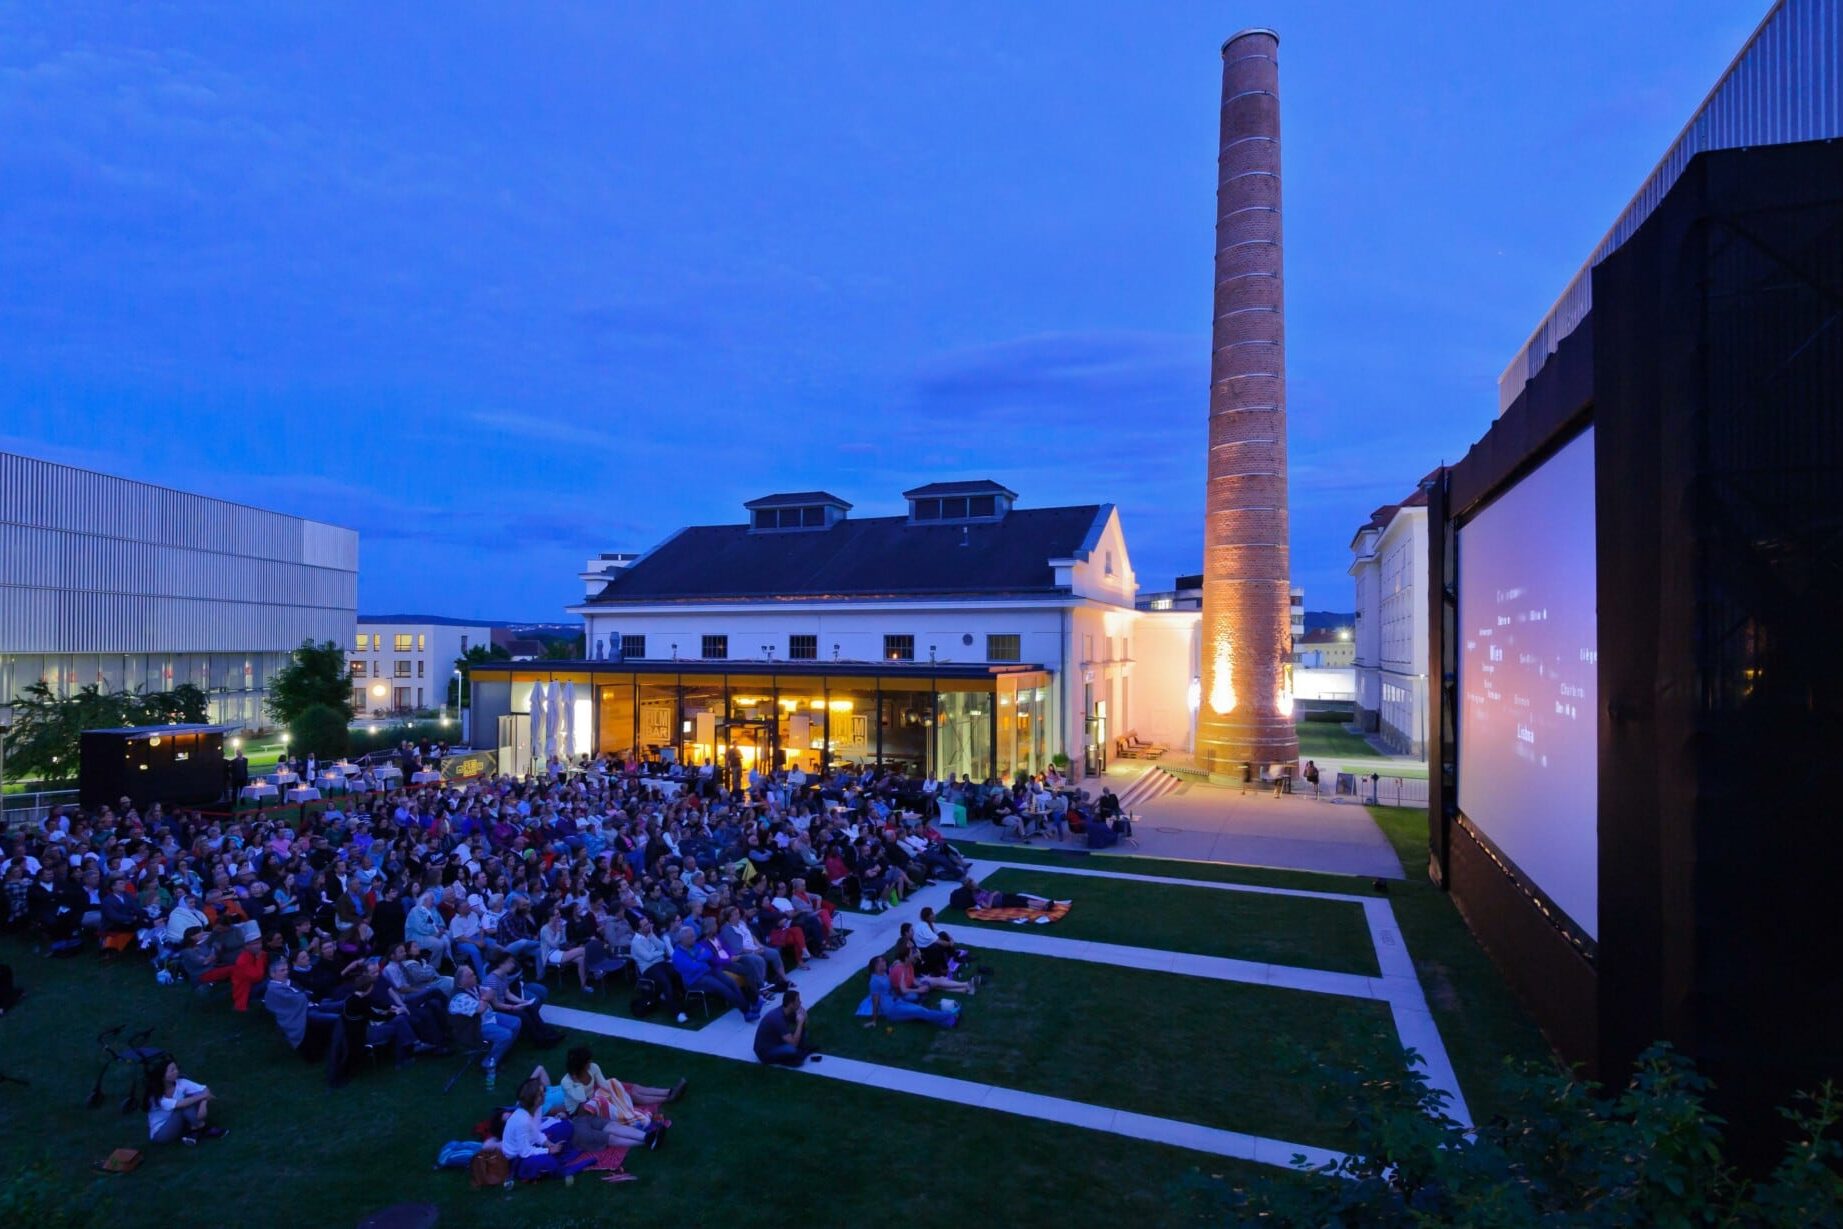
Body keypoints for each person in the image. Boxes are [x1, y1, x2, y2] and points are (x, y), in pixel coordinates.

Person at [559, 1046, 675, 1150]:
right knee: (607, 1134)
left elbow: (604, 1084)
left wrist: (616, 1094)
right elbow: (581, 1099)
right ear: (580, 1065)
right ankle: (647, 1140)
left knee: (612, 1122)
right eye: (587, 1061)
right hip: (579, 1114)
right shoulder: (567, 1082)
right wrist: (577, 1081)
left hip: (592, 1107)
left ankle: (647, 1135)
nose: (590, 1062)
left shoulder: (593, 1068)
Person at [501, 1077, 593, 1183]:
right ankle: (550, 1167)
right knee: (550, 1163)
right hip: (518, 1158)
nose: (544, 1094)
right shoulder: (522, 1121)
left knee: (566, 1127)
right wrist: (548, 1150)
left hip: (530, 1144)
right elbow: (524, 1152)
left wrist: (548, 1144)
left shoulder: (537, 1108)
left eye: (543, 1091)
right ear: (533, 1100)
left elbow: (536, 1132)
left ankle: (555, 1157)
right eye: (540, 1094)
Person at [449, 964, 521, 1079]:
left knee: (516, 1022)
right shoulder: (459, 998)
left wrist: (488, 993)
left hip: (486, 1018)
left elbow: (490, 993)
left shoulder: (473, 987)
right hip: (473, 1028)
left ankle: (501, 1052)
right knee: (505, 1035)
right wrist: (486, 997)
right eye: (471, 975)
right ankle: (487, 1064)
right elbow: (481, 1008)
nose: (475, 976)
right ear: (463, 980)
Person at [670, 925, 755, 1021]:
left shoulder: (695, 945)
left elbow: (709, 953)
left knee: (731, 982)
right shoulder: (677, 955)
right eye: (691, 937)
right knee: (723, 988)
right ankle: (746, 1011)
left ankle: (749, 1006)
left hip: (708, 971)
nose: (694, 938)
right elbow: (693, 968)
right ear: (683, 940)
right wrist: (700, 958)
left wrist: (696, 959)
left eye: (694, 936)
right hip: (695, 980)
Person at [856, 955, 958, 1029]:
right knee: (919, 1012)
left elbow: (891, 979)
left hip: (897, 1002)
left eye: (883, 961)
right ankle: (949, 1015)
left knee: (920, 1009)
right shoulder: (874, 982)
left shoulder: (883, 974)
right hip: (891, 1010)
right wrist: (873, 1021)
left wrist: (897, 964)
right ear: (876, 966)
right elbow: (875, 1002)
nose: (884, 962)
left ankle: (947, 1021)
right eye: (881, 962)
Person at [146, 1061, 227, 1145]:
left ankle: (194, 1132)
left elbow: (204, 1089)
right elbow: (180, 1104)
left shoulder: (181, 1082)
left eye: (176, 1068)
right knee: (184, 1104)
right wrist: (203, 1096)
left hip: (179, 1124)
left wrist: (204, 1102)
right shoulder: (155, 1096)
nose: (176, 1071)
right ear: (162, 1076)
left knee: (190, 1100)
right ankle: (204, 1129)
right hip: (161, 1133)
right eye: (172, 1070)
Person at [753, 989, 818, 1066]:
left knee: (804, 1033)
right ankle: (794, 1058)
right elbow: (794, 1044)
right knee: (792, 1049)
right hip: (764, 1052)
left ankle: (800, 1052)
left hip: (776, 1040)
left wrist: (804, 1017)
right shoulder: (777, 1018)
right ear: (791, 1004)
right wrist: (800, 1023)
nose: (800, 1002)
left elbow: (805, 1025)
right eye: (798, 1000)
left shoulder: (787, 1011)